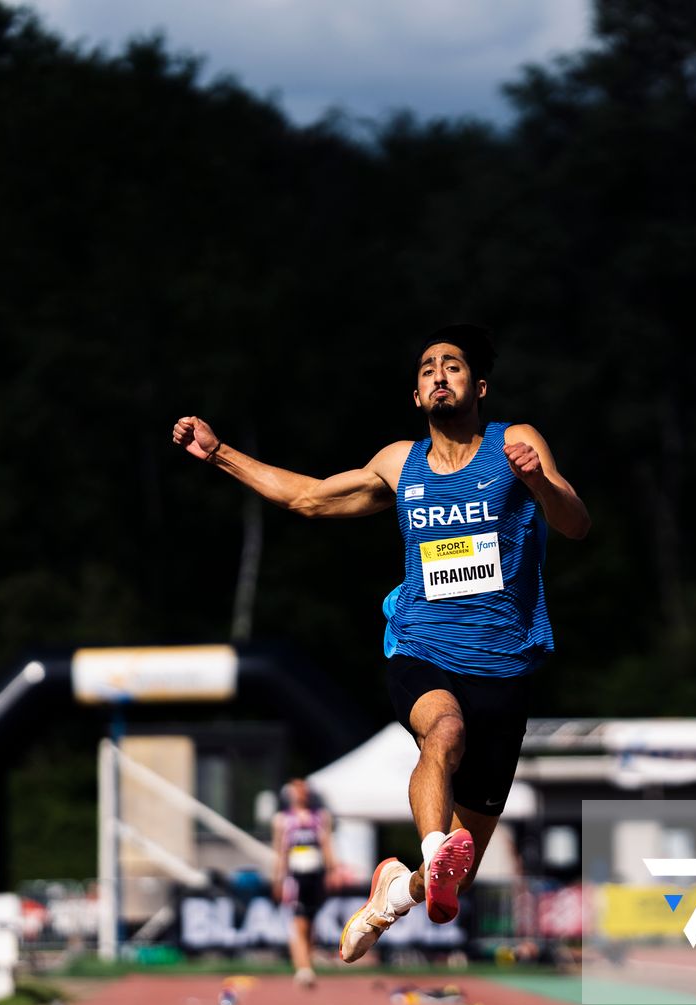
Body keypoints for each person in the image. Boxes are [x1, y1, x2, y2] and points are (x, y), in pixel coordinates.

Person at [172, 324, 589, 963]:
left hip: (503, 665)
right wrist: (220, 451)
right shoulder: (400, 464)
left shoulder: (516, 443)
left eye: (453, 366)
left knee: (459, 875)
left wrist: (539, 482)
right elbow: (309, 498)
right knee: (442, 733)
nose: (439, 374)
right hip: (421, 646)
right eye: (427, 369)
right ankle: (429, 852)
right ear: (418, 394)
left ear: (478, 387)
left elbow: (576, 523)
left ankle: (397, 892)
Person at [273, 778, 337, 987]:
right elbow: (280, 851)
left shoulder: (320, 817)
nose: (302, 794)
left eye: (304, 790)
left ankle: (306, 964)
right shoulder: (283, 819)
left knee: (310, 922)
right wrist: (278, 879)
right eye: (298, 790)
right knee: (298, 921)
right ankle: (303, 968)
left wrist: (331, 871)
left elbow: (326, 844)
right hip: (295, 876)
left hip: (315, 875)